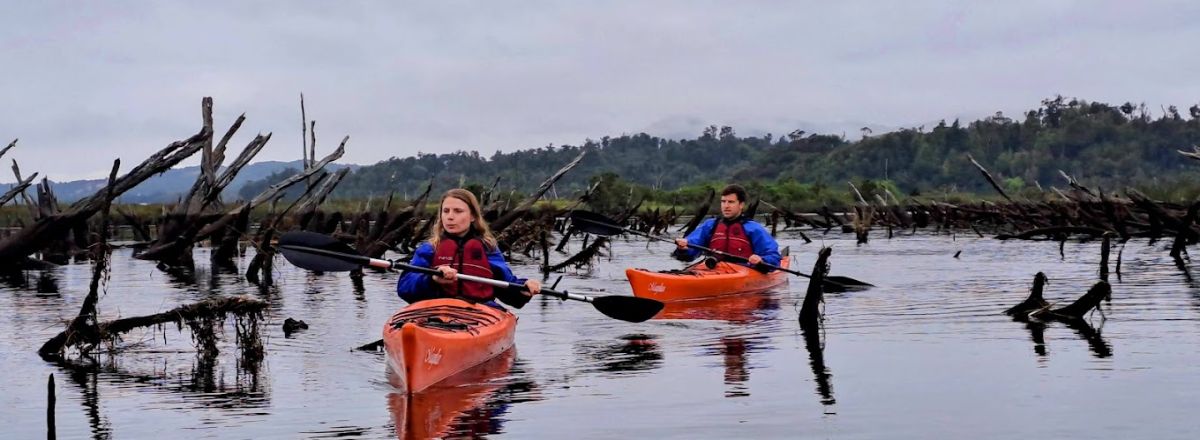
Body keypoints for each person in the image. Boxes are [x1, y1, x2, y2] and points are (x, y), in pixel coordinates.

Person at [397, 188, 541, 308]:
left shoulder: (487, 248)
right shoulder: (429, 249)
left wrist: (524, 287)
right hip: (436, 310)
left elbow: (506, 286)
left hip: (478, 312)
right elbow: (405, 287)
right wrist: (432, 279)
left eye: (458, 211)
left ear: (472, 216)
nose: (450, 217)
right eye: (445, 211)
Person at [673, 184, 781, 272]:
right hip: (713, 270)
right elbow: (692, 247)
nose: (726, 206)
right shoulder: (710, 225)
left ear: (741, 205)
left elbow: (774, 256)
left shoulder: (753, 229)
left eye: (731, 202)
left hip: (744, 272)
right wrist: (684, 248)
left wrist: (761, 260)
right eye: (723, 201)